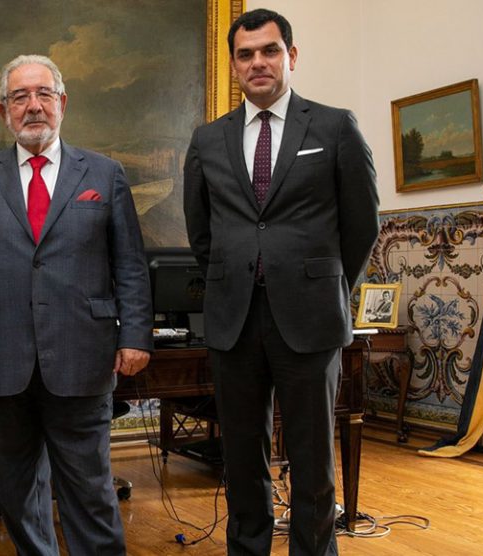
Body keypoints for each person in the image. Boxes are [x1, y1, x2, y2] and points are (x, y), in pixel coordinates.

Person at [183, 9, 379, 556]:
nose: (258, 63)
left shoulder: (335, 127)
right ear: (234, 65)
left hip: (310, 317)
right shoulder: (207, 140)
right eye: (245, 54)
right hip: (234, 318)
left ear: (291, 56)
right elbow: (202, 233)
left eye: (269, 50)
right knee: (241, 457)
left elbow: (362, 225)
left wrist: (328, 285)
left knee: (313, 459)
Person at [0, 54, 153, 555]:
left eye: (43, 94)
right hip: (1, 356)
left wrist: (135, 336)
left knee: (90, 491)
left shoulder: (104, 174)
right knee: (17, 492)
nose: (33, 106)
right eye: (20, 97)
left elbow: (130, 264)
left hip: (84, 355)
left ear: (63, 103)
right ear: (4, 112)